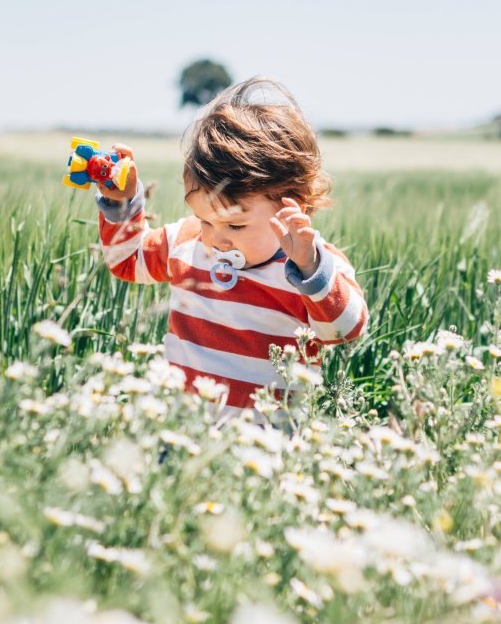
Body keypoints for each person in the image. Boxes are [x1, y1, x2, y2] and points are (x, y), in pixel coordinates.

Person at [94, 77, 368, 410]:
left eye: (235, 224)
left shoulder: (315, 269)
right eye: (205, 219)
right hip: (180, 432)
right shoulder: (186, 241)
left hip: (266, 444)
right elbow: (128, 260)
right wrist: (121, 204)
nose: (215, 239)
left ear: (291, 206)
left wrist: (310, 269)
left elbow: (343, 331)